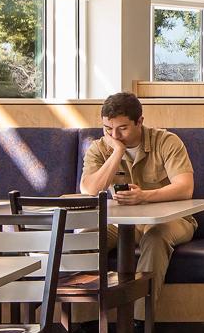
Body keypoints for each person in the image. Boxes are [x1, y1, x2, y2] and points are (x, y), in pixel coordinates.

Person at [79, 92, 197, 276]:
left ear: (139, 121)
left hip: (171, 221)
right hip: (123, 225)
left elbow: (185, 188)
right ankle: (92, 304)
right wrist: (118, 151)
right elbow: (90, 190)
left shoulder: (167, 142)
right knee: (84, 239)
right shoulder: (99, 148)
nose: (115, 135)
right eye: (108, 128)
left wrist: (143, 196)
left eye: (122, 128)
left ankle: (142, 306)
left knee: (155, 237)